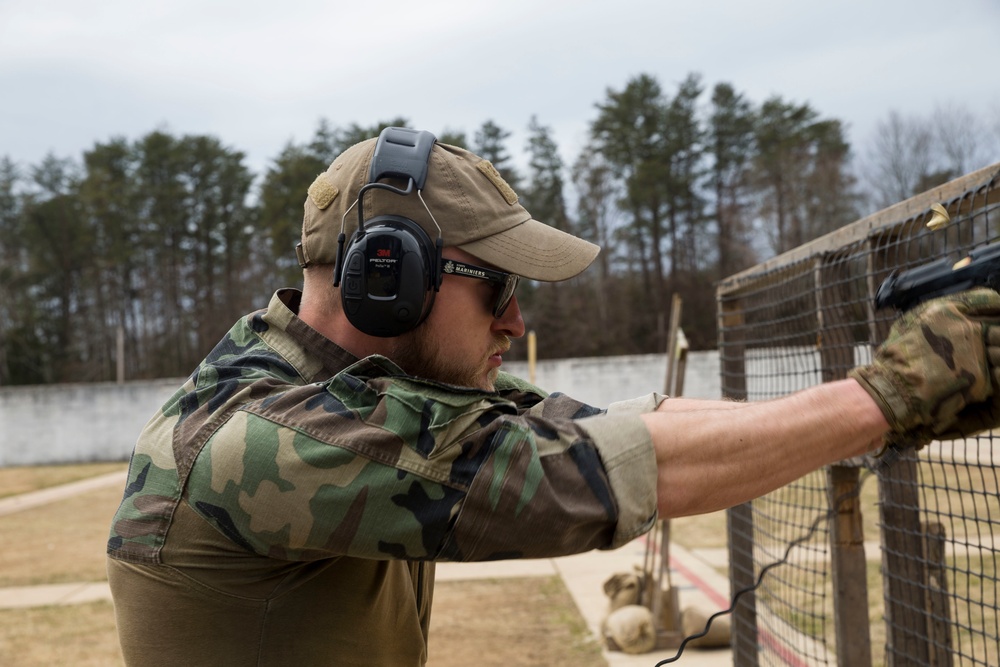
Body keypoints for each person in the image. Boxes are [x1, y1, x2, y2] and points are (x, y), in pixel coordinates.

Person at [107, 127, 1000, 666]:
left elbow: (613, 426)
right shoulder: (257, 436)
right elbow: (574, 477)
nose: (515, 318)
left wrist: (893, 397)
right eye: (496, 285)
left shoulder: (348, 392)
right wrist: (892, 391)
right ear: (392, 275)